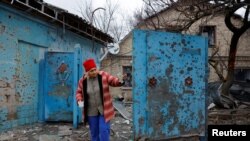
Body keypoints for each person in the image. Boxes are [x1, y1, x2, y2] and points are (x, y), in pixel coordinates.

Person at [76, 58, 124, 141]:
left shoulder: (103, 76)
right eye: (91, 71)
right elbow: (79, 92)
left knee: (104, 130)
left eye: (95, 69)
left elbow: (112, 80)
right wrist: (79, 99)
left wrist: (119, 81)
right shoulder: (82, 81)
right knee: (94, 132)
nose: (94, 72)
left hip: (104, 110)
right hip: (91, 111)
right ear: (87, 72)